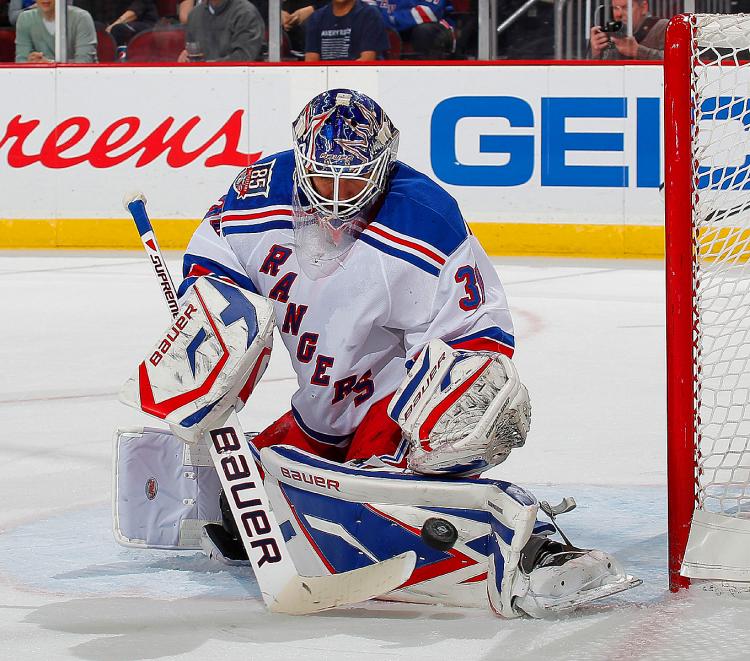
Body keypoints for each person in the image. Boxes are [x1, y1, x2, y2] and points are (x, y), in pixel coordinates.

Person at [168, 89, 639, 617]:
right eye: (325, 179)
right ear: (302, 161)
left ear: (382, 166)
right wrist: (209, 325)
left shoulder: (424, 216)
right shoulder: (257, 192)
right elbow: (212, 265)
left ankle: (539, 545)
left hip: (394, 410)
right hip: (317, 409)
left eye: (355, 179)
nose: (339, 197)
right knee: (245, 495)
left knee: (434, 459)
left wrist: (448, 416)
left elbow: (478, 333)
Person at [177, 0, 264, 62]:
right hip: (203, 81)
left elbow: (244, 56)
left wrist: (210, 66)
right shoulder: (194, 15)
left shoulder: (246, 13)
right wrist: (185, 61)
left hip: (240, 82)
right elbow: (192, 53)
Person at [304, 0, 388, 61]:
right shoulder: (316, 18)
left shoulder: (370, 15)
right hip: (325, 80)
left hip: (360, 80)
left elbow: (367, 60)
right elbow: (311, 61)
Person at [15, 0, 96, 62]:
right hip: (39, 79)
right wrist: (32, 61)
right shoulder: (25, 18)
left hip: (80, 79)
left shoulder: (81, 18)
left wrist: (49, 64)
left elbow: (84, 62)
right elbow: (21, 60)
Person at [369, 0, 454, 59]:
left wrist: (392, 20)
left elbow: (429, 12)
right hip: (386, 26)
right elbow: (367, 10)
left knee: (424, 32)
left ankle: (430, 77)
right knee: (367, 26)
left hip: (430, 27)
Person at [588, 0, 667, 60]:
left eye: (626, 7)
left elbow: (677, 60)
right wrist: (595, 54)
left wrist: (637, 51)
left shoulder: (663, 27)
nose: (618, 14)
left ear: (643, 8)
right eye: (615, 8)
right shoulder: (612, 34)